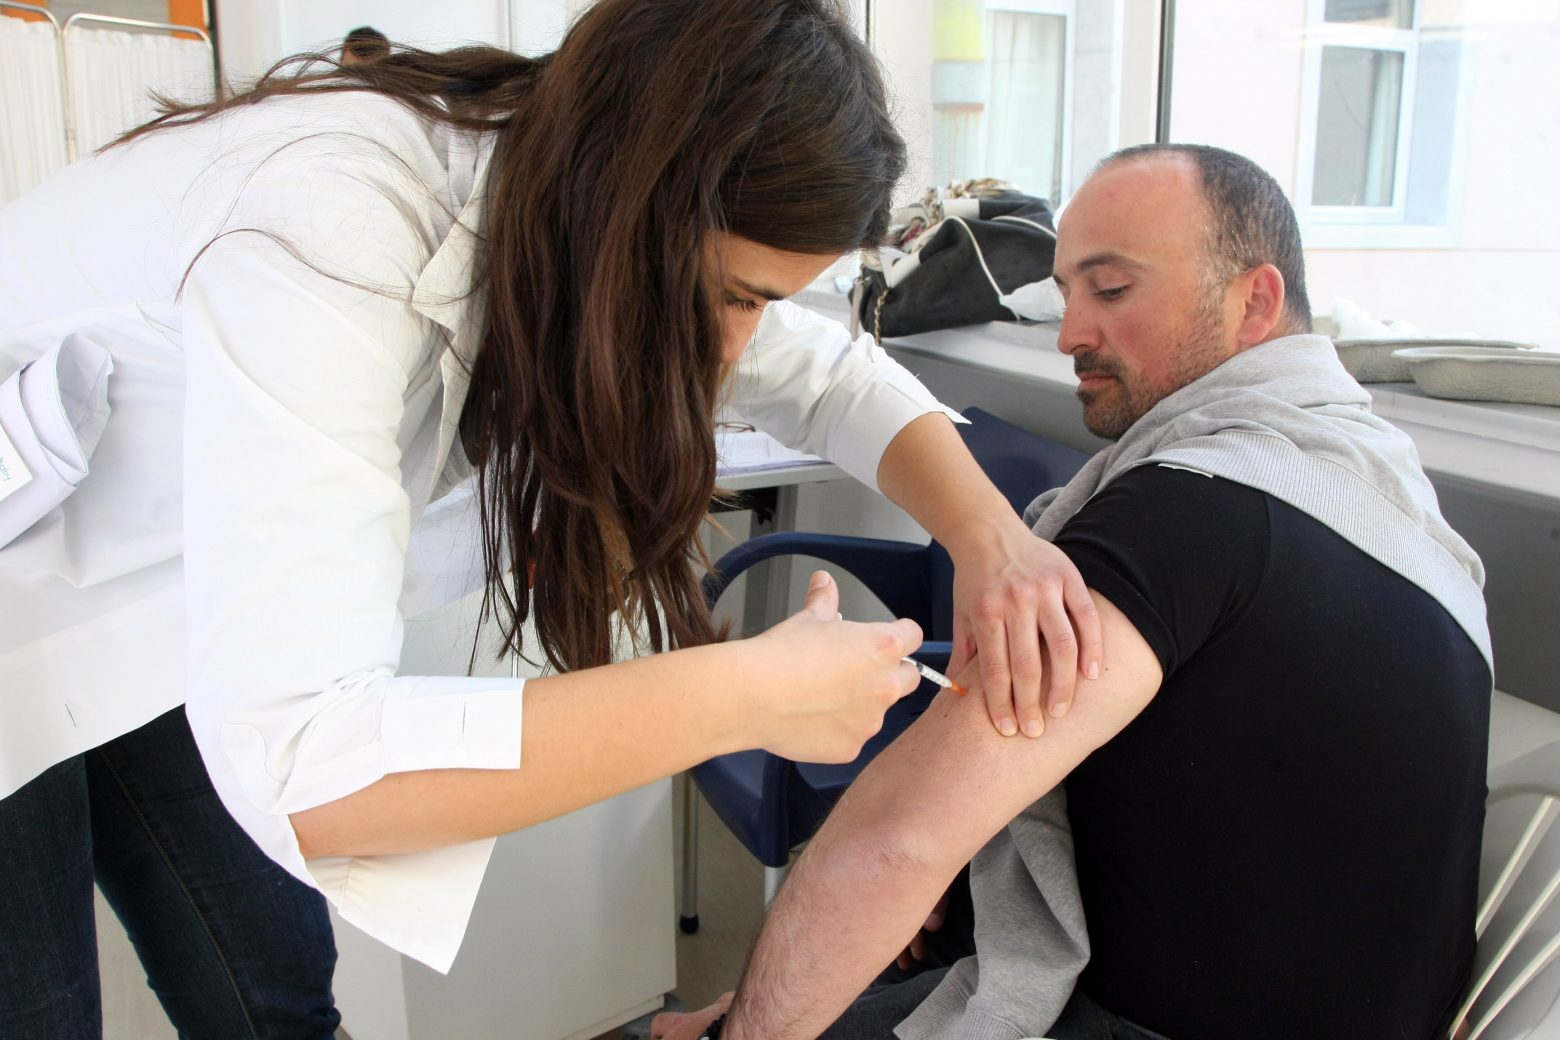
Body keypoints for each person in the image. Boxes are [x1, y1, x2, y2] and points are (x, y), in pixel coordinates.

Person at [0, 2, 1106, 1037]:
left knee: (270, 992)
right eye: (736, 296)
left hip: (166, 604)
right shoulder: (331, 224)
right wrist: (748, 694)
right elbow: (316, 776)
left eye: (764, 302)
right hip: (23, 594)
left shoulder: (581, 194)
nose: (737, 347)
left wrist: (994, 541)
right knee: (40, 1006)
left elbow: (826, 372)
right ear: (637, 198)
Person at [654, 144, 1493, 1040]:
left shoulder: (1193, 511)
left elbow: (895, 841)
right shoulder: (1401, 515)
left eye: (1113, 289)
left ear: (1255, 302)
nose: (1069, 335)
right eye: (1065, 295)